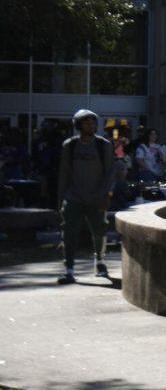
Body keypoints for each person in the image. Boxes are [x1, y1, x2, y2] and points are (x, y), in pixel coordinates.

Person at [56, 109, 116, 284]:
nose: (92, 125)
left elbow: (110, 173)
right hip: (73, 196)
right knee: (68, 232)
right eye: (87, 122)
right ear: (78, 125)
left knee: (99, 230)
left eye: (94, 122)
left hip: (96, 196)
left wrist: (107, 194)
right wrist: (60, 200)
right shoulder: (70, 145)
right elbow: (64, 172)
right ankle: (69, 269)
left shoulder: (103, 144)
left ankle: (100, 262)